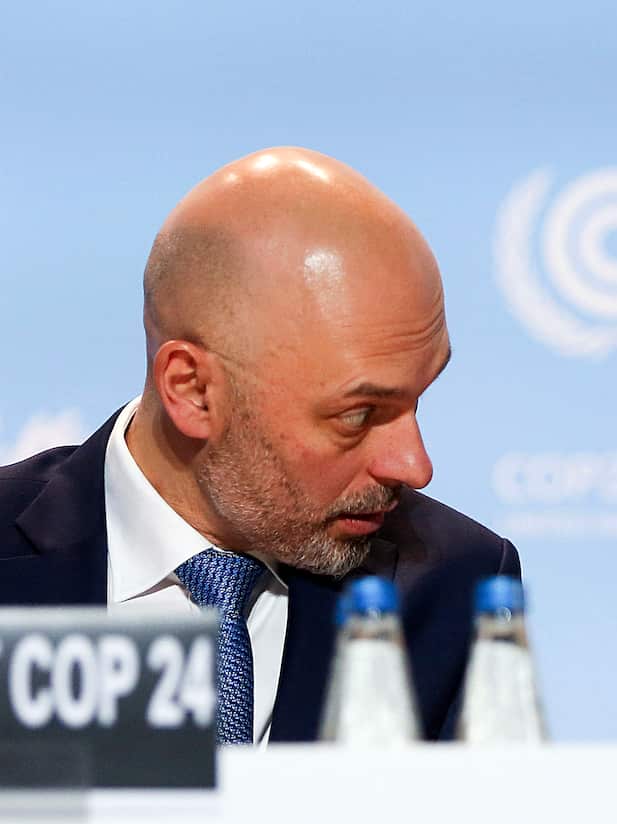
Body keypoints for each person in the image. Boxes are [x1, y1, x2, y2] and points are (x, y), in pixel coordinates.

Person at [0, 147, 519, 744]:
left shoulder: (453, 583)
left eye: (418, 397)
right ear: (192, 390)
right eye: (359, 414)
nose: (415, 465)